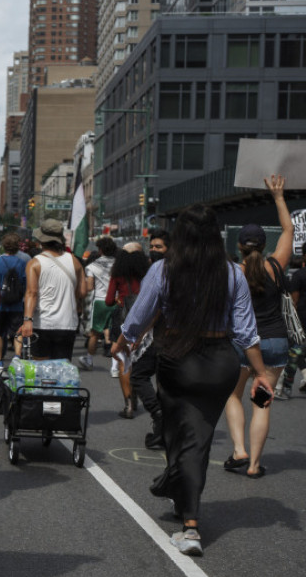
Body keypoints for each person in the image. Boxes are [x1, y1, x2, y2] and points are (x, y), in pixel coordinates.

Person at [113, 201, 272, 557]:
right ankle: (178, 490)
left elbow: (139, 316)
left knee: (183, 438)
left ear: (180, 236)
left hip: (177, 360)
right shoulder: (233, 274)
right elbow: (247, 332)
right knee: (194, 436)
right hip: (220, 363)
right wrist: (261, 373)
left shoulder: (164, 269)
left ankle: (190, 525)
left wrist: (121, 343)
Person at [222, 176, 293, 479]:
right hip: (275, 342)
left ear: (238, 246)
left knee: (233, 396)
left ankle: (239, 451)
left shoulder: (232, 272)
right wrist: (278, 196)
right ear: (265, 245)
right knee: (262, 404)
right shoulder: (276, 266)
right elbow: (289, 230)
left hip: (243, 344)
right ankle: (254, 466)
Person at [18, 219, 86, 360]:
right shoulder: (74, 261)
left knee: (42, 370)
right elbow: (82, 292)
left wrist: (27, 320)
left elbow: (32, 293)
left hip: (42, 323)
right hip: (67, 324)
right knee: (61, 370)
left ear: (41, 240)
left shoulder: (34, 263)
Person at [132, 228, 169, 449]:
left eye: (159, 247)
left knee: (139, 374)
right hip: (165, 335)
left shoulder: (161, 270)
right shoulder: (156, 269)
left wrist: (139, 332)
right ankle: (162, 429)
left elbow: (154, 308)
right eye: (152, 246)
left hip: (162, 336)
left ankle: (159, 415)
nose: (154, 250)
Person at [105, 244, 150, 418]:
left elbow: (109, 300)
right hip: (145, 318)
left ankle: (129, 404)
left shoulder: (117, 274)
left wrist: (119, 299)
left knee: (124, 360)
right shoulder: (147, 273)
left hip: (123, 318)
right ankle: (138, 393)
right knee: (140, 358)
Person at [0, 232, 27, 372]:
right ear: (17, 247)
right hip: (16, 303)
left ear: (4, 246)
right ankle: (17, 356)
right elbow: (24, 283)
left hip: (0, 303)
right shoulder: (22, 263)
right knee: (18, 332)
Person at [79, 236, 117, 370]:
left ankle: (89, 359)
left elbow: (89, 287)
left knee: (94, 333)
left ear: (100, 250)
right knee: (116, 333)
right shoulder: (119, 264)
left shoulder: (92, 266)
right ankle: (116, 365)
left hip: (100, 301)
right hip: (117, 301)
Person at [276, 242, 306, 398]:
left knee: (294, 353)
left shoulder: (298, 275)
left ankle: (283, 389)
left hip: (299, 319)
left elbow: (293, 301)